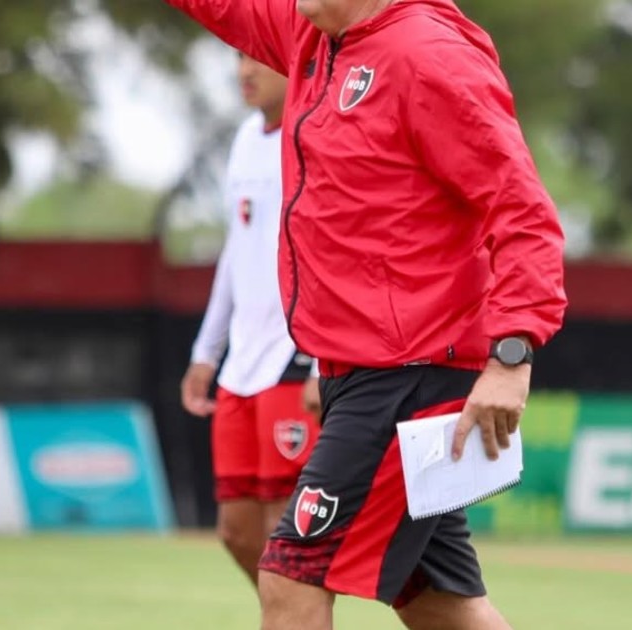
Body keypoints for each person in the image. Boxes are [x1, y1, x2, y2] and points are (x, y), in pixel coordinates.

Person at [166, 1, 568, 629]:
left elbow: (523, 212)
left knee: (291, 573)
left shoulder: (428, 55)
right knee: (436, 601)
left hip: (409, 374)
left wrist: (512, 354)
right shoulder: (311, 33)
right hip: (360, 372)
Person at [180, 53, 322, 593]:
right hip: (241, 362)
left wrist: (324, 362)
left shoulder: (316, 135)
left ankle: (297, 617)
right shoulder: (243, 140)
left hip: (293, 352)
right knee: (237, 530)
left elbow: (338, 254)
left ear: (294, 60)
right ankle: (289, 617)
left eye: (259, 57)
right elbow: (236, 251)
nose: (245, 70)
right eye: (238, 56)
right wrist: (206, 351)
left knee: (286, 528)